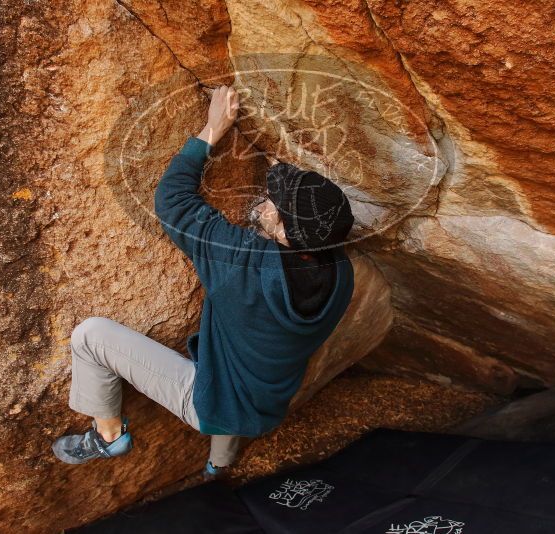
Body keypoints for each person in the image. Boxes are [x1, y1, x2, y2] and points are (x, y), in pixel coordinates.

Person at [51, 85, 356, 481]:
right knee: (237, 393)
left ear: (285, 234)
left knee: (89, 335)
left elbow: (173, 201)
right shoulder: (341, 272)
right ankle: (218, 467)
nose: (264, 200)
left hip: (211, 400)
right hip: (268, 400)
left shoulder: (242, 263)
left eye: (272, 205)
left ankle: (108, 436)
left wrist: (212, 129)